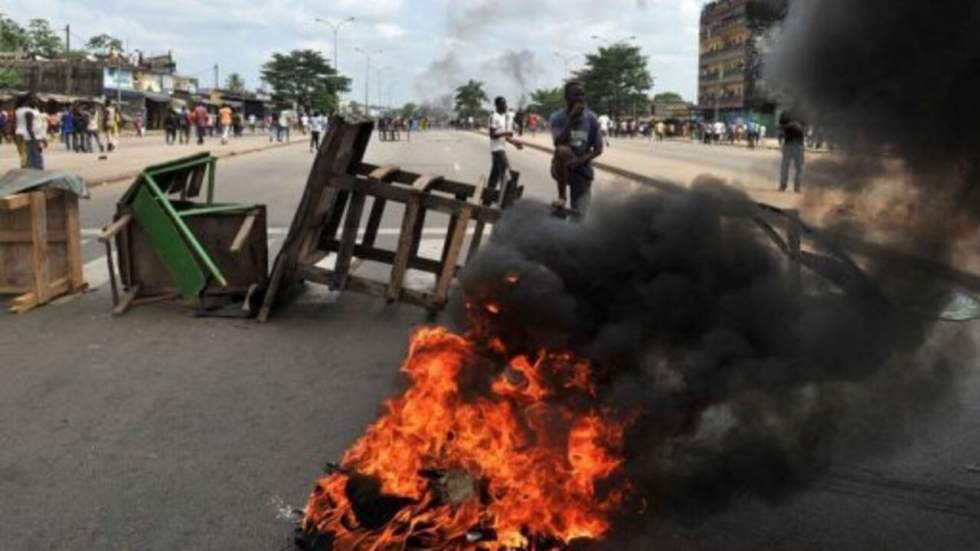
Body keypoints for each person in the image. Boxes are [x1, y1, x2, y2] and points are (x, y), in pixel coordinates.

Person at [549, 81, 603, 213]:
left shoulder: (591, 117)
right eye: (576, 95)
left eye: (582, 95)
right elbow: (558, 143)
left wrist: (579, 161)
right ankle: (562, 197)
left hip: (581, 168)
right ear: (567, 97)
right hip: (561, 167)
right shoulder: (557, 117)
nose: (581, 99)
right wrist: (571, 120)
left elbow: (598, 149)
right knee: (563, 150)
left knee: (579, 214)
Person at [487, 97, 525, 199]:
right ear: (497, 105)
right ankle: (508, 196)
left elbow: (505, 136)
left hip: (500, 148)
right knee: (506, 171)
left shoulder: (503, 118)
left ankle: (487, 198)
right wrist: (505, 133)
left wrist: (515, 143)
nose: (505, 106)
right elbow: (492, 135)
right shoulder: (493, 117)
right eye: (503, 104)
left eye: (505, 103)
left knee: (494, 176)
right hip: (496, 150)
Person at [15, 95, 46, 169]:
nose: (37, 101)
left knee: (25, 156)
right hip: (28, 136)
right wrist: (35, 140)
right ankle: (33, 172)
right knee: (32, 156)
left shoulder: (19, 110)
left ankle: (28, 170)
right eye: (34, 99)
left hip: (22, 134)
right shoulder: (28, 112)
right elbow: (29, 128)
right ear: (28, 101)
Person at [778, 111, 805, 193]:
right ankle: (797, 187)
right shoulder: (800, 127)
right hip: (798, 148)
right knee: (799, 169)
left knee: (784, 167)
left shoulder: (786, 127)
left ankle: (783, 186)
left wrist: (781, 145)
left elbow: (780, 136)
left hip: (788, 147)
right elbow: (802, 140)